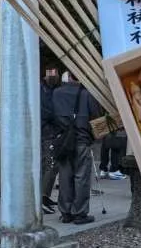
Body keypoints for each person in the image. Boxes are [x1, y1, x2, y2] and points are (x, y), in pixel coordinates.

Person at [53, 72, 100, 225]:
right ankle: (80, 213)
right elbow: (95, 116)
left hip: (63, 141)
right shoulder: (86, 94)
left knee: (65, 177)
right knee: (82, 177)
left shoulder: (56, 93)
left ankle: (65, 212)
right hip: (81, 139)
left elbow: (50, 114)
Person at [40, 68, 60, 214]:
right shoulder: (44, 91)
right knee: (51, 165)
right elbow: (48, 111)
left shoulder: (48, 89)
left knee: (49, 164)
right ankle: (42, 197)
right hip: (47, 132)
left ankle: (45, 196)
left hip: (47, 131)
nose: (53, 76)